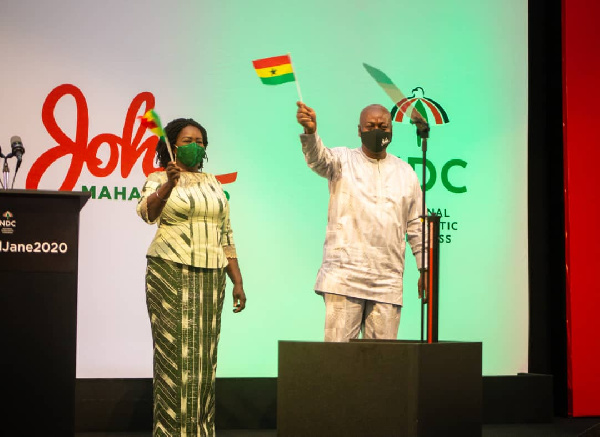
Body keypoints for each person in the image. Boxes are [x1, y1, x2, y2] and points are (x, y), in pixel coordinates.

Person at [136, 117, 246, 437]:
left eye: (200, 141)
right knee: (175, 359)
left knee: (204, 359)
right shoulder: (157, 178)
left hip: (212, 277)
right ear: (171, 146)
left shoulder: (213, 182)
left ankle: (201, 431)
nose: (195, 146)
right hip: (170, 272)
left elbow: (225, 233)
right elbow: (146, 213)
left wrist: (237, 279)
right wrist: (169, 185)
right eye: (187, 141)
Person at [296, 101, 426, 342]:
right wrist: (311, 133)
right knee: (338, 361)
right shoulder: (342, 160)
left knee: (382, 364)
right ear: (359, 130)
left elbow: (416, 225)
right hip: (344, 276)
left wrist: (424, 267)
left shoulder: (406, 172)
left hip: (387, 280)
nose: (377, 130)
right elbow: (317, 159)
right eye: (370, 125)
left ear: (391, 131)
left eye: (382, 125)